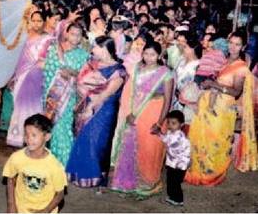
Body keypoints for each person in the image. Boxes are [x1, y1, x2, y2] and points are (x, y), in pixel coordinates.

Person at [186, 31, 257, 186]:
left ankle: (214, 173)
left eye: (237, 44)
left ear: (243, 46)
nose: (233, 47)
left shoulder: (241, 67)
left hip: (224, 108)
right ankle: (201, 170)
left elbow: (236, 91)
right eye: (231, 42)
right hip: (209, 104)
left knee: (217, 139)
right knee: (204, 139)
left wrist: (213, 84)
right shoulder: (224, 61)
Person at [109, 41, 174, 198]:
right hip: (136, 111)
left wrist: (160, 122)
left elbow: (168, 99)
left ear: (159, 55)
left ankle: (149, 182)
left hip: (155, 111)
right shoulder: (138, 69)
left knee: (150, 147)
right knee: (132, 145)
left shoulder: (165, 72)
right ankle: (131, 181)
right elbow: (130, 93)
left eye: (152, 55)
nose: (149, 57)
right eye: (146, 54)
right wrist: (129, 112)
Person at [66, 36, 127, 191]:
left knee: (100, 142)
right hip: (87, 104)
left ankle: (101, 179)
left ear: (105, 49)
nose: (92, 50)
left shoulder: (118, 70)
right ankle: (81, 175)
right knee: (84, 138)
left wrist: (91, 106)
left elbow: (107, 93)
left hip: (105, 110)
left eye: (96, 47)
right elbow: (79, 81)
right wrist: (85, 94)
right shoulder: (91, 64)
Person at [43, 22, 90, 166]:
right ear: (66, 33)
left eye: (78, 35)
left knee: (62, 127)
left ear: (82, 37)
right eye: (73, 34)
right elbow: (48, 69)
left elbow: (85, 76)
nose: (75, 38)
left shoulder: (83, 55)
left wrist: (72, 73)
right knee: (51, 127)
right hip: (51, 94)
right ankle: (53, 161)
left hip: (68, 96)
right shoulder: (54, 49)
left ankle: (65, 163)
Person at [3, 114, 67, 213]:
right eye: (26, 134)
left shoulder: (54, 165)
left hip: (45, 209)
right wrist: (11, 205)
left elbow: (60, 193)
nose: (29, 139)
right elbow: (10, 178)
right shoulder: (17, 158)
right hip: (21, 209)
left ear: (47, 137)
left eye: (34, 135)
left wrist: (46, 211)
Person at [7, 11, 52, 147]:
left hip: (38, 80)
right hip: (22, 77)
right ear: (30, 21)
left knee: (35, 109)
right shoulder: (24, 38)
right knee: (19, 108)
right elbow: (17, 59)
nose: (36, 23)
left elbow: (49, 62)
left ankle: (35, 139)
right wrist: (13, 76)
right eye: (34, 20)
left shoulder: (49, 40)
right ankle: (18, 137)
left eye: (39, 21)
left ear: (44, 22)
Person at [158, 110, 191, 207]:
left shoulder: (178, 136)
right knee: (170, 181)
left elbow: (167, 141)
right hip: (173, 163)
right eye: (168, 122)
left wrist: (158, 133)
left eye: (174, 123)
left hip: (178, 165)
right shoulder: (171, 132)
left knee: (174, 183)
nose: (170, 125)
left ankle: (178, 199)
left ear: (181, 124)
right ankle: (172, 197)